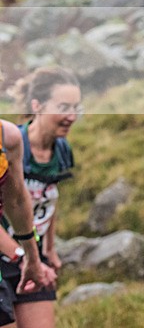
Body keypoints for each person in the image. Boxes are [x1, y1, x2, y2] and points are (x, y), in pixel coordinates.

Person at [0, 67, 79, 328]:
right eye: (63, 106)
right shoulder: (16, 140)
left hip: (28, 250)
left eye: (75, 107)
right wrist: (23, 256)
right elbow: (13, 202)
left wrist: (47, 250)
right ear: (38, 105)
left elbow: (45, 201)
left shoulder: (61, 150)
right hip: (9, 250)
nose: (71, 116)